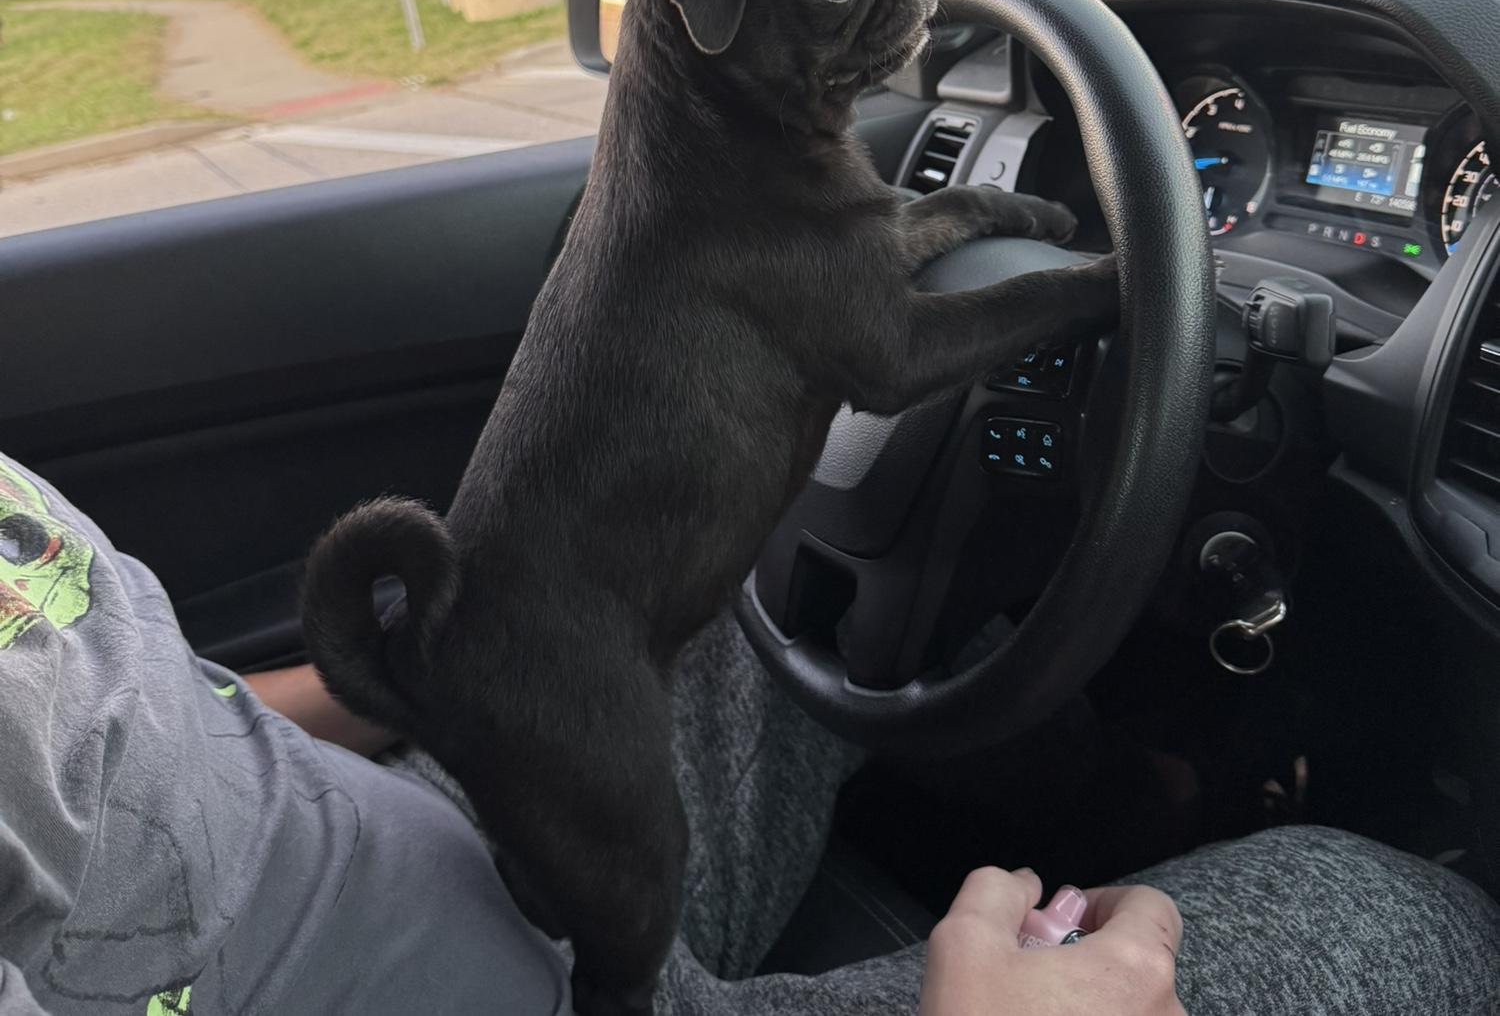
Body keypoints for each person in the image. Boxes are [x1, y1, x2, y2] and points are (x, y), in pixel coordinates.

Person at [3, 449, 1498, 1015]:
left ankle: (1142, 802)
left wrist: (430, 671)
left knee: (765, 585)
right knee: (1392, 915)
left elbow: (114, 700)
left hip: (416, 821)